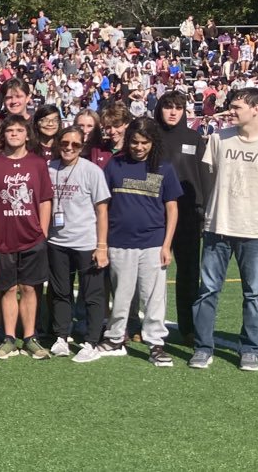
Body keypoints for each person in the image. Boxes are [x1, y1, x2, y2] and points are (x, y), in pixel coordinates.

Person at [192, 88, 258, 371]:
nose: (230, 111)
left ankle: (250, 349)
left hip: (255, 229)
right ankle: (202, 347)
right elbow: (210, 176)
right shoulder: (218, 138)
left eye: (236, 107)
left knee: (254, 293)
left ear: (256, 109)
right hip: (218, 225)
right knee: (208, 290)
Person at [77, 118, 182, 365]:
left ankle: (155, 343)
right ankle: (115, 338)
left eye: (144, 142)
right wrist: (102, 242)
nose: (139, 147)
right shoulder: (115, 164)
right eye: (134, 142)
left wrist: (167, 245)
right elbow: (102, 204)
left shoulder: (164, 168)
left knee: (153, 296)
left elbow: (172, 209)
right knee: (121, 295)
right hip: (119, 242)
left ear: (152, 143)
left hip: (153, 243)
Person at [0, 115, 52, 360]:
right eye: (9, 130)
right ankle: (9, 338)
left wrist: (42, 230)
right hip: (2, 238)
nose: (14, 134)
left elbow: (44, 200)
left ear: (27, 134)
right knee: (7, 289)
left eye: (19, 130)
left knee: (30, 288)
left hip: (32, 238)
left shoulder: (38, 163)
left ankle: (30, 337)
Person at [43, 127, 110, 359]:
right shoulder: (49, 169)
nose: (69, 148)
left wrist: (102, 246)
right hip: (56, 241)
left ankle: (91, 341)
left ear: (82, 147)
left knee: (92, 294)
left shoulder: (92, 171)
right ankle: (61, 336)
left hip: (86, 242)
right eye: (65, 143)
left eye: (75, 145)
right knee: (61, 291)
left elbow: (102, 211)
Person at [157, 91, 209, 344]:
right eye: (168, 107)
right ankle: (148, 325)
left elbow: (204, 175)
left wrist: (204, 208)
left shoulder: (194, 138)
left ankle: (188, 327)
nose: (173, 112)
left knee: (188, 272)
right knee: (153, 272)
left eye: (178, 107)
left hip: (188, 214)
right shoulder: (150, 135)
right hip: (155, 214)